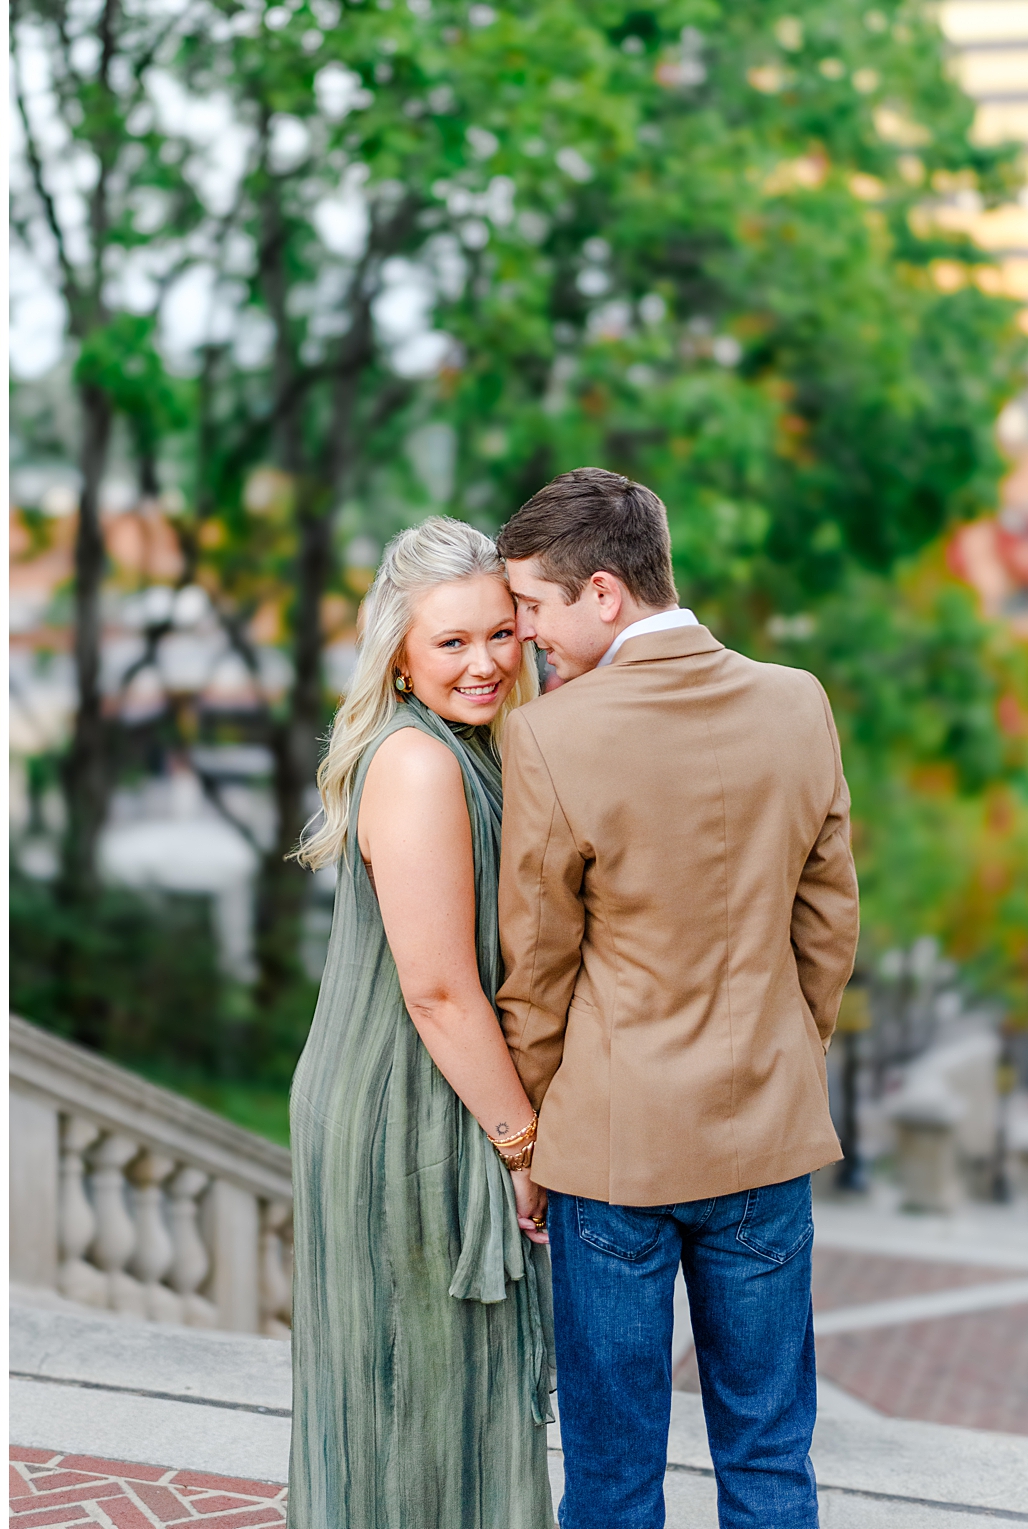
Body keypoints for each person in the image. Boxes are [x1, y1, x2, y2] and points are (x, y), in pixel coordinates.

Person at [495, 467, 859, 1528]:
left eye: (532, 606)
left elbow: (538, 969)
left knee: (609, 1478)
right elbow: (827, 923)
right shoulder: (797, 701)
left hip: (611, 1154)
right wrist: (789, 1057)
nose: (524, 635)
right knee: (768, 1457)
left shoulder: (550, 735)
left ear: (602, 592)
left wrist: (528, 1141)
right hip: (764, 1134)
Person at [288, 516, 554, 1529]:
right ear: (397, 652)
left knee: (442, 1397)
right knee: (413, 1399)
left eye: (499, 632)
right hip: (405, 1107)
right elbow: (438, 988)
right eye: (450, 641)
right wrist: (520, 1141)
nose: (482, 661)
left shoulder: (476, 747)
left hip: (442, 1092)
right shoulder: (416, 762)